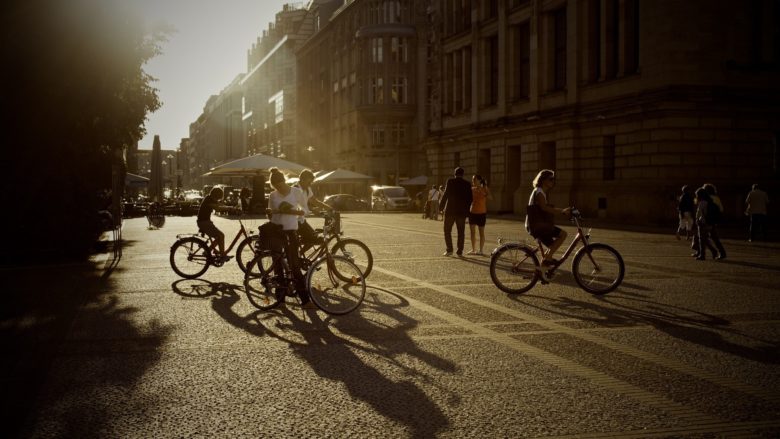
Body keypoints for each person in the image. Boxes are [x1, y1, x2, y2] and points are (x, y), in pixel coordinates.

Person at [267, 167, 314, 308]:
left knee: (294, 265)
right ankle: (280, 300)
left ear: (284, 181)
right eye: (276, 187)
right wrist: (271, 212)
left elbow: (305, 210)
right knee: (278, 266)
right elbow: (270, 215)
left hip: (291, 231)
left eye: (280, 186)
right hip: (276, 231)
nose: (279, 189)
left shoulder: (296, 192)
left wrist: (295, 212)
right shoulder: (273, 195)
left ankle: (305, 301)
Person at [525, 170, 571, 274]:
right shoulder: (539, 192)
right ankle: (547, 259)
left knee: (552, 246)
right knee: (563, 234)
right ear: (543, 180)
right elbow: (544, 208)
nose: (553, 181)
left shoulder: (539, 191)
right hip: (537, 225)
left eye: (553, 179)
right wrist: (562, 211)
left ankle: (542, 269)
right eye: (550, 179)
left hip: (536, 224)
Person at [439, 167, 472, 256]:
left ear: (455, 174)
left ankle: (449, 250)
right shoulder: (467, 184)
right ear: (463, 174)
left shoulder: (450, 181)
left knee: (447, 230)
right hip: (461, 212)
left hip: (450, 211)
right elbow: (470, 199)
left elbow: (445, 195)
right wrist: (467, 210)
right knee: (461, 232)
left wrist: (441, 207)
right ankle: (460, 251)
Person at [295, 169, 330, 251]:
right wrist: (311, 209)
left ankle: (299, 256)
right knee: (312, 239)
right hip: (294, 221)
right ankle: (295, 259)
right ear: (302, 179)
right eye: (308, 182)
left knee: (313, 239)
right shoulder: (295, 190)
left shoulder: (307, 189)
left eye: (311, 182)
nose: (310, 184)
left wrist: (329, 208)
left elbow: (314, 201)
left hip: (301, 220)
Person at [196, 187, 228, 261]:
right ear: (215, 196)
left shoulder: (210, 198)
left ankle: (208, 251)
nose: (218, 200)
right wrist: (230, 209)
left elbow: (220, 205)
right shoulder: (209, 200)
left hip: (205, 222)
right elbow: (218, 209)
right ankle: (222, 256)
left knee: (219, 237)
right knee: (221, 235)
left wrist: (231, 207)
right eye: (218, 198)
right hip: (204, 223)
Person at [467, 174, 492, 255]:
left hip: (481, 213)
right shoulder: (471, 189)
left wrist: (484, 192)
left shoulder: (484, 188)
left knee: (481, 233)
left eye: (474, 179)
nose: (473, 181)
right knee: (472, 232)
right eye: (472, 179)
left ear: (479, 180)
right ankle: (473, 249)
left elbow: (491, 198)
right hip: (472, 213)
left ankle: (481, 250)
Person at [693, 187, 718, 261]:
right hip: (709, 222)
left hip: (703, 223)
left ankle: (702, 255)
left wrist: (697, 220)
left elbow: (698, 213)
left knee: (702, 239)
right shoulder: (709, 201)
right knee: (705, 239)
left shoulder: (702, 202)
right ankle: (713, 251)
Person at [703, 183, 726, 259]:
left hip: (706, 220)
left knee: (702, 237)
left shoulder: (705, 198)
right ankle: (721, 252)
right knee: (714, 237)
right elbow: (721, 209)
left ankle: (714, 251)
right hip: (713, 220)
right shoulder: (716, 198)